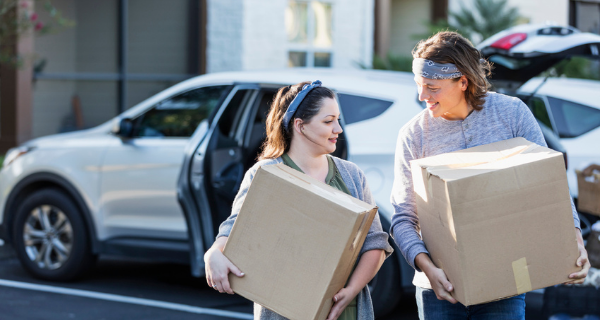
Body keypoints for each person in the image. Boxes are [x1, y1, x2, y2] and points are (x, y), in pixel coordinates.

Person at [390, 31, 590, 319]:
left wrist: (574, 242)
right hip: (440, 289)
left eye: (432, 88)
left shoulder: (511, 114)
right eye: (419, 86)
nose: (422, 96)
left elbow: (551, 187)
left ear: (462, 81)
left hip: (505, 280)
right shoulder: (414, 135)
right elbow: (403, 217)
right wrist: (427, 269)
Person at [204, 80, 393, 320]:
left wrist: (352, 291)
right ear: (300, 126)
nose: (339, 129)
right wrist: (212, 254)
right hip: (283, 311)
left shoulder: (352, 175)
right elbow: (234, 230)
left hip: (347, 311)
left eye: (337, 119)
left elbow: (375, 243)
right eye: (328, 121)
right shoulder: (266, 173)